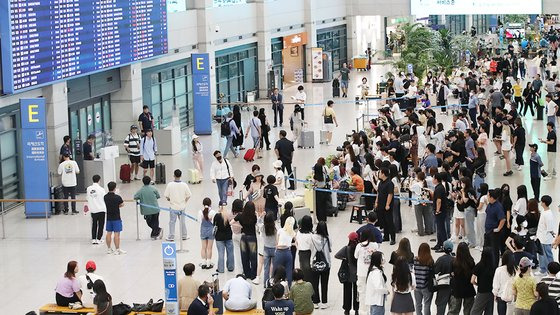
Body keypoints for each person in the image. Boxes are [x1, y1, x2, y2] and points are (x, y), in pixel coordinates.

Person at [355, 230, 379, 313]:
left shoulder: (359, 245)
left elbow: (355, 256)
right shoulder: (375, 245)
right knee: (372, 291)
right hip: (372, 271)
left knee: (362, 292)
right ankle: (371, 310)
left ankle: (362, 310)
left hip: (361, 272)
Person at [335, 232, 359, 315]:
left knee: (347, 291)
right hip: (357, 274)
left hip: (348, 274)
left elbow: (337, 255)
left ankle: (347, 309)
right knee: (357, 292)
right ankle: (356, 309)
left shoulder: (346, 248)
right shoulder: (359, 248)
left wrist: (345, 258)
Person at [448, 242, 475, 315]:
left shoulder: (454, 262)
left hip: (457, 289)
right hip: (468, 289)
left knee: (454, 310)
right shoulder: (471, 261)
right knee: (468, 311)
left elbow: (451, 274)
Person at [164, 169, 192, 242]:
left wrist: (169, 199)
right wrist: (185, 201)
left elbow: (166, 195)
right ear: (181, 175)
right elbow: (189, 195)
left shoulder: (170, 185)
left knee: (172, 222)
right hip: (182, 207)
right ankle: (184, 235)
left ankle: (171, 236)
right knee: (182, 222)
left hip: (173, 207)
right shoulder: (184, 185)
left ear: (174, 175)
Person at [234, 201, 258, 281]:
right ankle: (253, 275)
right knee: (253, 257)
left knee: (244, 256)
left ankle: (247, 273)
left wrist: (241, 226)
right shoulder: (254, 216)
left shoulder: (240, 215)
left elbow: (231, 222)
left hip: (243, 237)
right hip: (252, 238)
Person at [134, 176, 163, 240]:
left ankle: (155, 233)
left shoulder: (141, 191)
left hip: (146, 210)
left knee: (149, 222)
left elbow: (135, 197)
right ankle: (157, 231)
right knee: (155, 221)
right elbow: (158, 196)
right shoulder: (154, 189)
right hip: (155, 208)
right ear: (150, 181)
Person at [311, 221, 332, 309]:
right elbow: (330, 249)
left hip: (315, 262)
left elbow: (310, 248)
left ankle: (315, 302)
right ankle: (324, 302)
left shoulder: (312, 237)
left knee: (315, 283)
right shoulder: (327, 238)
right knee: (324, 283)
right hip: (326, 262)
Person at [470, 247, 496, 315]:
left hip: (482, 291)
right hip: (491, 292)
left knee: (475, 311)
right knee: (489, 311)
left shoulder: (479, 265)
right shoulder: (494, 266)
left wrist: (477, 284)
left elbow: (472, 280)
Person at [536, 195, 557, 276]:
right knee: (541, 254)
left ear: (544, 203)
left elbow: (550, 228)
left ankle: (552, 270)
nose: (541, 203)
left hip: (545, 239)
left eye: (542, 201)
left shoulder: (548, 215)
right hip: (541, 237)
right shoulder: (544, 211)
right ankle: (543, 269)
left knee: (548, 255)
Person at [485, 189, 506, 264]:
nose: (487, 197)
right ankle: (488, 263)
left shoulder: (498, 206)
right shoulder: (489, 205)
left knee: (494, 250)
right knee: (487, 248)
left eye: (488, 196)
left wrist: (498, 228)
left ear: (491, 197)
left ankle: (494, 265)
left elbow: (502, 219)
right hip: (487, 231)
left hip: (494, 232)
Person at [104, 181, 126, 255]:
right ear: (114, 188)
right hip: (116, 217)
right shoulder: (117, 197)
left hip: (109, 217)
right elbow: (122, 204)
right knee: (117, 234)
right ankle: (117, 249)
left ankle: (109, 248)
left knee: (108, 233)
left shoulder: (105, 197)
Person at [492, 251, 516, 315]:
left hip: (501, 296)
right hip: (513, 296)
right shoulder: (516, 270)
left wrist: (495, 294)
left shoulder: (499, 270)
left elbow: (496, 285)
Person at [433, 240, 454, 315]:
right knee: (452, 309)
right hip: (452, 286)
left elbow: (435, 271)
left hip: (442, 287)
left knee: (440, 308)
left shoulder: (440, 260)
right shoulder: (454, 259)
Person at [376, 167, 395, 244]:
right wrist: (376, 201)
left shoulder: (390, 183)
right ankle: (386, 236)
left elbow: (390, 194)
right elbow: (378, 193)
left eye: (380, 173)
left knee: (389, 221)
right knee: (383, 221)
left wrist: (387, 204)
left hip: (386, 206)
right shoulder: (381, 183)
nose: (379, 174)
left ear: (383, 174)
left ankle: (393, 238)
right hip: (380, 204)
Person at [413, 243, 434, 315]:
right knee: (427, 304)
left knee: (418, 304)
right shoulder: (430, 261)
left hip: (417, 286)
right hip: (426, 286)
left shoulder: (415, 260)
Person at [214, 204, 234, 273]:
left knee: (221, 253)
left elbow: (214, 225)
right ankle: (230, 267)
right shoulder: (229, 216)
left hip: (219, 237)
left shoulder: (217, 216)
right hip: (228, 236)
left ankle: (221, 269)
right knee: (230, 252)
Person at [86, 175, 106, 244]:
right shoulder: (101, 189)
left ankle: (93, 238)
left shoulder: (89, 189)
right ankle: (99, 238)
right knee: (101, 224)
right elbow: (104, 198)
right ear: (99, 180)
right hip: (101, 209)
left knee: (94, 224)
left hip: (93, 209)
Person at [432, 172, 449, 252]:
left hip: (440, 211)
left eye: (433, 178)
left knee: (441, 229)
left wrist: (437, 210)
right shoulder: (439, 187)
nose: (432, 179)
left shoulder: (439, 188)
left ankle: (444, 246)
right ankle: (439, 243)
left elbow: (439, 200)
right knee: (439, 228)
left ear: (436, 179)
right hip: (440, 211)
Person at [199, 198, 216, 269]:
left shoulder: (200, 212)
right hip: (210, 230)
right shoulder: (212, 212)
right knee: (209, 248)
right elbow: (214, 222)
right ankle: (209, 263)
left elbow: (199, 221)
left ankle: (203, 263)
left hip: (203, 229)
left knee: (203, 247)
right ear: (210, 204)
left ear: (203, 204)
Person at [261, 212, 277, 286]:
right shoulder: (275, 228)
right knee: (274, 267)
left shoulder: (263, 228)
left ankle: (265, 283)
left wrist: (261, 216)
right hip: (274, 248)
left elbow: (258, 224)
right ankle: (273, 282)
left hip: (266, 248)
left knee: (266, 268)